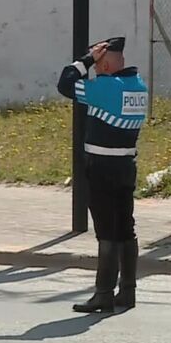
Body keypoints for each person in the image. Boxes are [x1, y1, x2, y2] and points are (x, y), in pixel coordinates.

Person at [57, 37, 148, 313]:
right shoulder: (138, 86)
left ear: (106, 63)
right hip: (126, 166)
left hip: (102, 168)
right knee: (125, 228)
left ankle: (103, 294)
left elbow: (65, 83)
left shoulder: (106, 87)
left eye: (98, 65)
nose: (95, 70)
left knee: (106, 232)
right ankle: (128, 291)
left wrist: (85, 61)